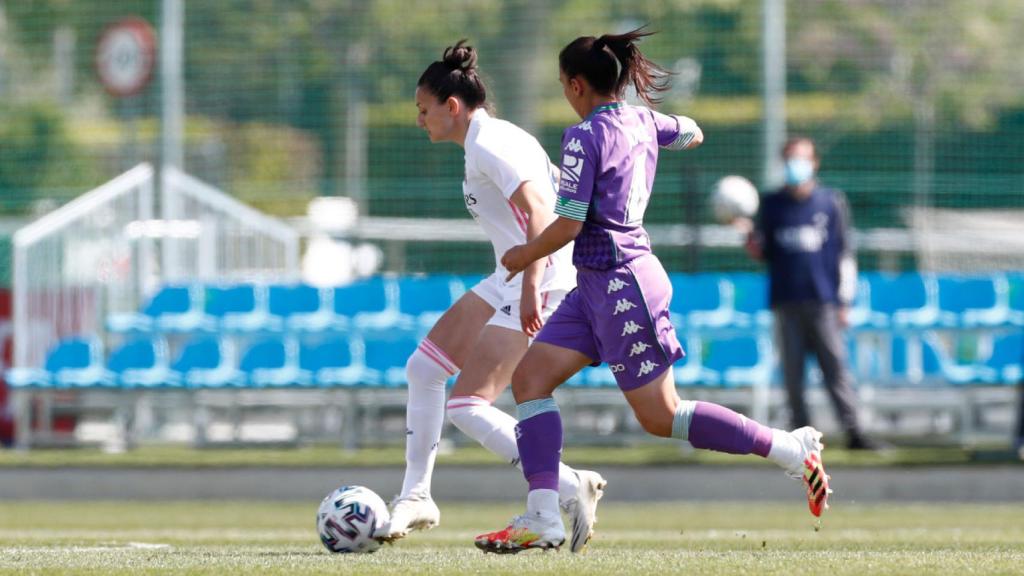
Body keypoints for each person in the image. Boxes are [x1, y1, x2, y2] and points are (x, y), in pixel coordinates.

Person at [473, 28, 831, 554]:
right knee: (529, 379)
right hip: (596, 285)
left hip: (622, 286)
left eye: (562, 84)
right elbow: (692, 132)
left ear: (575, 85)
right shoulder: (640, 120)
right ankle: (542, 516)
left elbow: (569, 223)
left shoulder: (582, 138)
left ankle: (789, 449)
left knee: (661, 416)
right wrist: (664, 129)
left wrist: (521, 256)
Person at [380, 40, 606, 553]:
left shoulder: (490, 144)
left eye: (423, 109)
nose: (420, 120)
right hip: (513, 273)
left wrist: (530, 284)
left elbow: (540, 215)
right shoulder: (486, 138)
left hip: (543, 277)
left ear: (451, 107)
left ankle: (570, 486)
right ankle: (416, 496)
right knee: (424, 369)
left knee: (467, 403)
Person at [745, 137, 877, 450]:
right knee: (792, 375)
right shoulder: (772, 204)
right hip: (786, 301)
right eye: (789, 158)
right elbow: (764, 251)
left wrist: (844, 300)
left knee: (836, 369)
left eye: (801, 158)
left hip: (824, 302)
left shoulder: (831, 202)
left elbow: (844, 253)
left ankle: (854, 432)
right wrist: (748, 238)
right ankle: (799, 439)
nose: (795, 165)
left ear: (814, 163)